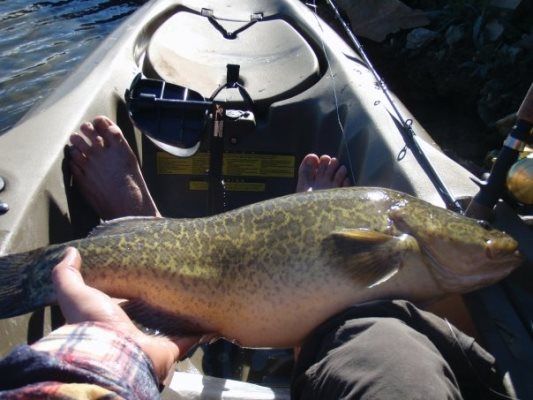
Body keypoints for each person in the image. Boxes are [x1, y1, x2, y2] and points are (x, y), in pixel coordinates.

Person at [0, 117, 503, 399]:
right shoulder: (401, 234)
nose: (493, 241)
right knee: (379, 335)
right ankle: (314, 325)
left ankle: (153, 228)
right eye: (480, 232)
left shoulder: (418, 243)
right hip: (372, 348)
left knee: (373, 334)